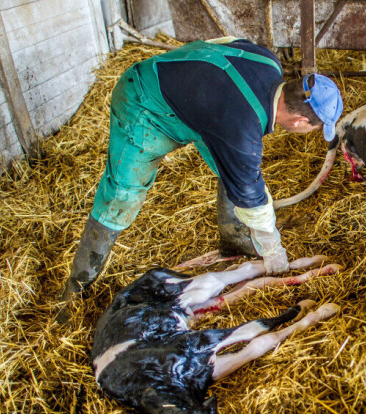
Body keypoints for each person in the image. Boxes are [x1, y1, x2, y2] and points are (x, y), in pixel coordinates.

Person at [59, 37, 344, 302]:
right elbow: (249, 191)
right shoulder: (242, 131)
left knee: (233, 167)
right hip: (145, 102)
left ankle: (234, 238)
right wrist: (273, 251)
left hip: (198, 105)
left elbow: (219, 43)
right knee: (122, 195)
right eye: (315, 129)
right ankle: (76, 288)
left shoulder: (268, 61)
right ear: (299, 123)